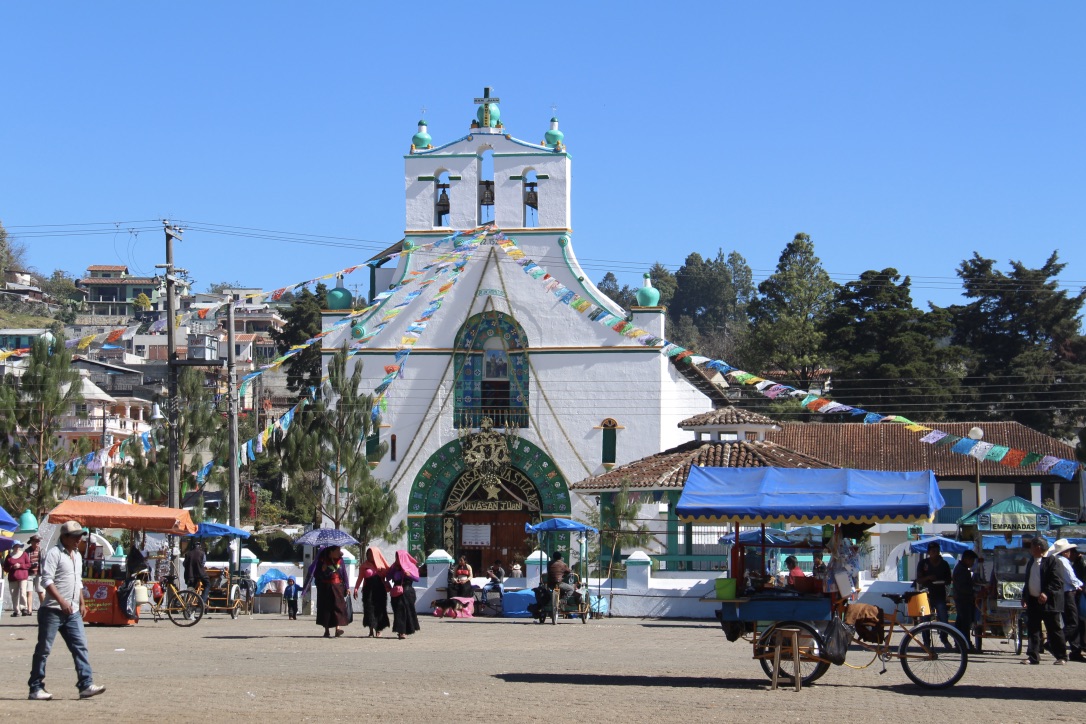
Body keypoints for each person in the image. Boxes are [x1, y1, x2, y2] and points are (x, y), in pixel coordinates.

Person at [27, 520, 105, 700]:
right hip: (52, 610)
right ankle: (36, 687)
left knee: (81, 647)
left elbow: (78, 582)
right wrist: (61, 601)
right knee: (44, 649)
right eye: (76, 536)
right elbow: (46, 581)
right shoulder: (54, 554)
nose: (79, 540)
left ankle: (85, 684)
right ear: (65, 537)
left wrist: (82, 602)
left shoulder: (77, 556)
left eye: (80, 536)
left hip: (73, 611)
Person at [1021, 536, 1065, 665]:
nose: (1030, 550)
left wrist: (1046, 593)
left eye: (1032, 547)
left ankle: (1061, 656)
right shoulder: (1031, 561)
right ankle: (1033, 656)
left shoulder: (1053, 562)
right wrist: (1025, 596)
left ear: (1038, 548)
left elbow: (1057, 581)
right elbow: (1028, 580)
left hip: (1049, 602)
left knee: (1053, 629)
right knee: (1033, 629)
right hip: (1033, 601)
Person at [1049, 539, 1083, 664]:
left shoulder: (1056, 561)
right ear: (1064, 552)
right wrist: (1080, 585)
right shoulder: (1063, 561)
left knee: (1070, 621)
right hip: (1068, 593)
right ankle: (1054, 643)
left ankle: (1074, 649)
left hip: (1063, 594)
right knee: (1073, 622)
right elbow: (1070, 577)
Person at [305, 546, 350, 638]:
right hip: (326, 588)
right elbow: (316, 575)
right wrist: (323, 570)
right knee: (326, 609)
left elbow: (344, 574)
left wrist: (347, 587)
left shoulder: (340, 561)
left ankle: (337, 629)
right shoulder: (322, 561)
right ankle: (327, 630)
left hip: (338, 587)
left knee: (338, 607)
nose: (339, 552)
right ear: (331, 552)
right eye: (337, 550)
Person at [353, 546, 391, 637]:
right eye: (368, 554)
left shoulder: (382, 566)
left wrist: (383, 573)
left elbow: (390, 574)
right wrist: (356, 588)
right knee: (369, 609)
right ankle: (371, 630)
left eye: (372, 554)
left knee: (380, 609)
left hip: (380, 590)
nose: (370, 556)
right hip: (368, 590)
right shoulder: (364, 566)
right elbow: (360, 578)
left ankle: (379, 629)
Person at [915, 542, 952, 627]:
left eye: (937, 551)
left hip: (940, 595)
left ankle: (944, 638)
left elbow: (949, 580)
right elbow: (919, 580)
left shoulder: (944, 564)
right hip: (926, 595)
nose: (935, 553)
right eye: (933, 551)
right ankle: (926, 640)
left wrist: (942, 581)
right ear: (928, 552)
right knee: (925, 621)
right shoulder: (923, 563)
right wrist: (928, 578)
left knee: (943, 619)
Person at [387, 550, 421, 639]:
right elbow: (388, 577)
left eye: (398, 557)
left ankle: (404, 631)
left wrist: (409, 575)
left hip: (407, 591)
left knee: (407, 611)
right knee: (398, 612)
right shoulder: (394, 567)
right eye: (396, 557)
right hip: (397, 592)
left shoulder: (411, 566)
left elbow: (417, 579)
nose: (397, 559)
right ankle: (401, 630)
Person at [952, 550, 979, 648]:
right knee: (964, 623)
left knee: (961, 622)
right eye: (972, 561)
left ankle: (961, 642)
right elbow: (962, 588)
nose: (972, 563)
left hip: (963, 599)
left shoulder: (962, 569)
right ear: (967, 559)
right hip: (963, 599)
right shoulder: (961, 570)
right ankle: (964, 643)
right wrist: (973, 592)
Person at [4, 541, 31, 616]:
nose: (17, 548)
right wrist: (12, 567)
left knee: (23, 592)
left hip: (23, 577)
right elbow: (5, 568)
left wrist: (20, 566)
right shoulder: (9, 556)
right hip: (12, 578)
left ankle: (24, 608)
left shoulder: (24, 554)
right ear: (13, 547)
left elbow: (28, 565)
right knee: (14, 594)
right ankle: (16, 610)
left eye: (18, 546)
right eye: (15, 546)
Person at [1070, 547, 1086, 661]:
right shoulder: (1078, 563)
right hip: (1079, 596)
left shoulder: (1080, 563)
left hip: (1080, 596)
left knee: (1080, 622)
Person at [26, 534, 44, 611]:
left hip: (39, 574)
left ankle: (43, 608)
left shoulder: (42, 550)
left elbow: (45, 561)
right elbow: (25, 562)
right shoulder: (27, 551)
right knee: (29, 592)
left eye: (38, 541)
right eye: (36, 541)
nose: (38, 542)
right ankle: (29, 610)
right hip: (29, 574)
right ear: (32, 542)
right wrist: (30, 565)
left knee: (40, 591)